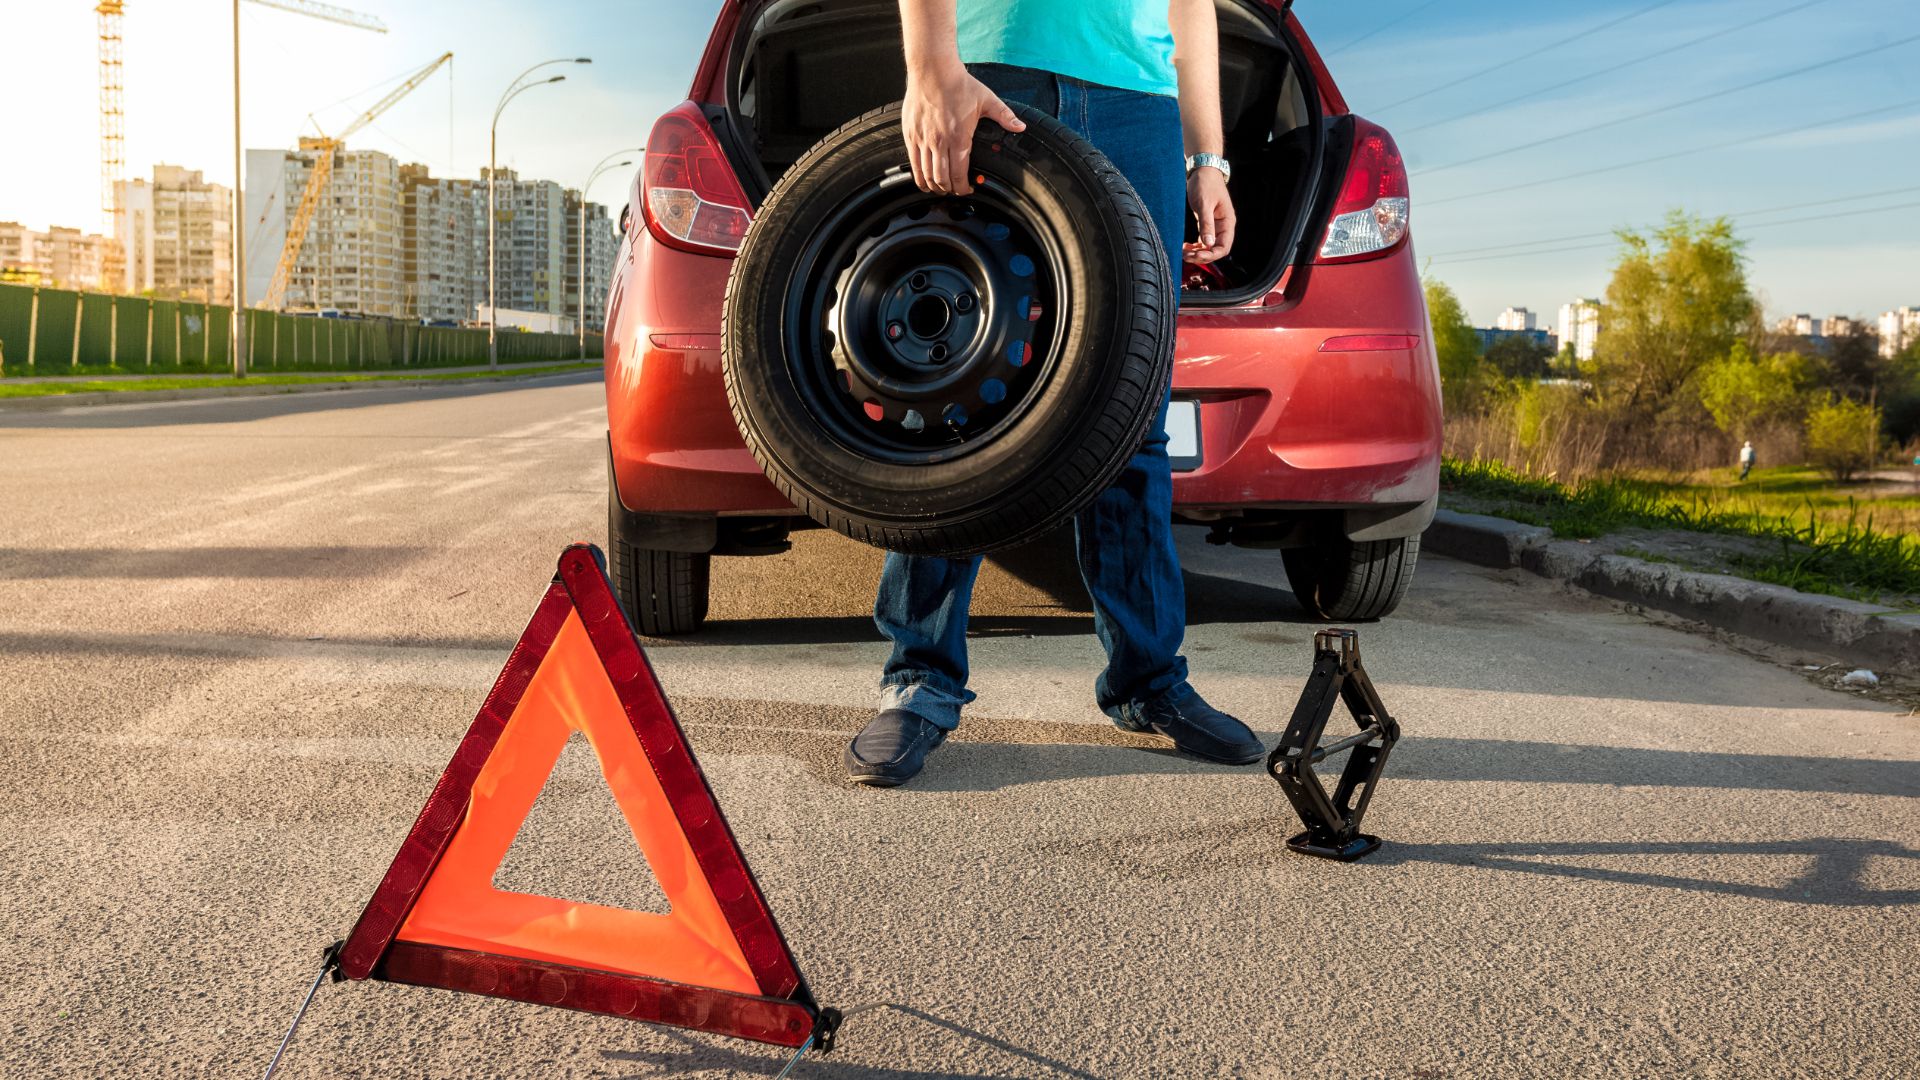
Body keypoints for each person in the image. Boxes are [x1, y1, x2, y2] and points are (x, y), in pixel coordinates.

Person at [845, 0, 1263, 786]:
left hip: (1139, 106)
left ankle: (1149, 684)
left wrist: (1209, 158)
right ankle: (920, 679)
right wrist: (933, 69)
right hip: (994, 74)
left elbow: (1191, 7)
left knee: (1131, 407)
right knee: (958, 393)